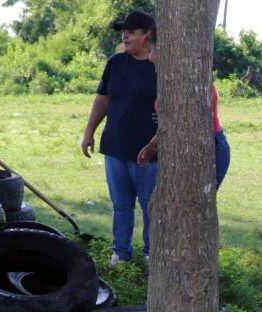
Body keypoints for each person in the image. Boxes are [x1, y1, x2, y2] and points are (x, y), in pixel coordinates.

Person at [80, 10, 158, 265]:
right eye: (123, 31)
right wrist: (89, 131)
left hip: (148, 149)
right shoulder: (116, 62)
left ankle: (151, 254)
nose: (125, 36)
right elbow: (103, 98)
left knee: (150, 205)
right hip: (114, 145)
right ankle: (121, 253)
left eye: (131, 31)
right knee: (121, 204)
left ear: (147, 34)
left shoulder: (160, 64)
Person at [136, 36, 231, 188]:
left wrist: (154, 143)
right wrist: (152, 145)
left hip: (211, 148)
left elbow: (184, 122)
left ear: (164, 50)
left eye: (151, 50)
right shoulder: (167, 80)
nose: (149, 57)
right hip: (181, 149)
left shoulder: (193, 79)